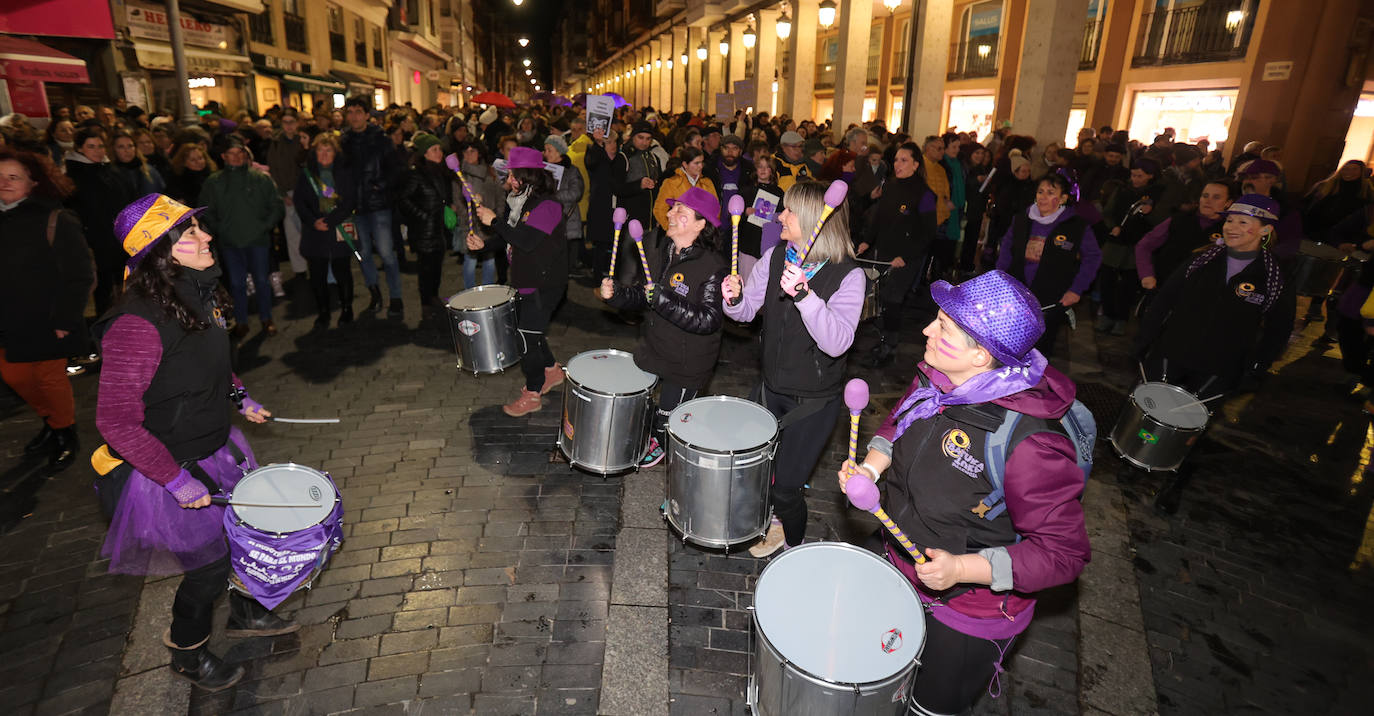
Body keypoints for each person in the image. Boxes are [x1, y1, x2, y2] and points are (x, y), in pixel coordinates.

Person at [838, 270, 1089, 716]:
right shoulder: (935, 379)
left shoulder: (1032, 445)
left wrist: (963, 568)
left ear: (981, 356)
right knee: (874, 675)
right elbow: (898, 423)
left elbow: (1064, 555)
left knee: (926, 709)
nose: (926, 330)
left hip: (969, 612)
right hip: (897, 560)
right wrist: (871, 470)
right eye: (936, 319)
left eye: (944, 327)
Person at [93, 194, 297, 693]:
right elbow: (116, 422)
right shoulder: (136, 325)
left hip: (213, 445)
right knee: (207, 569)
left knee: (242, 536)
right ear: (158, 255)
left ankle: (245, 613)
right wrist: (177, 482)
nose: (206, 237)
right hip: (164, 470)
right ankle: (187, 654)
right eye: (189, 235)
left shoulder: (197, 292)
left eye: (199, 228)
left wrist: (240, 396)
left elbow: (211, 360)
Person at [721, 180, 865, 557]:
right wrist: (732, 298)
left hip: (813, 401)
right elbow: (746, 310)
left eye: (788, 210)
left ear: (815, 219)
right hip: (769, 388)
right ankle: (767, 518)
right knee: (755, 471)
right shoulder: (775, 255)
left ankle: (795, 547)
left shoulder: (848, 275)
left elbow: (837, 342)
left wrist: (805, 296)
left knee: (785, 487)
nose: (779, 216)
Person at [1135, 194, 1296, 512]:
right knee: (1152, 413)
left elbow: (1279, 329)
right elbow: (1164, 300)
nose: (1232, 227)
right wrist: (1143, 341)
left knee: (1192, 427)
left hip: (1219, 366)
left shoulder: (1274, 278)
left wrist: (1257, 367)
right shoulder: (1201, 259)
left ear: (1264, 230)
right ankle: (1139, 458)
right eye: (1230, 220)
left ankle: (1175, 481)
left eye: (1243, 222)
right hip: (1173, 352)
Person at [600, 187, 726, 467]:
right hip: (656, 347)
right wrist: (617, 294)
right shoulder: (663, 250)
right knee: (641, 402)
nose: (669, 213)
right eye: (672, 208)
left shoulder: (713, 267)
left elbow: (708, 319)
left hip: (687, 362)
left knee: (670, 417)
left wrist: (663, 299)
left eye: (680, 210)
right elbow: (644, 295)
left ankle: (667, 445)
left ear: (701, 223)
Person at [0, 148, 95, 474]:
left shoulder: (55, 218)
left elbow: (81, 274)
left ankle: (65, 432)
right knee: (14, 375)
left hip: (47, 319)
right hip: (6, 321)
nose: (4, 183)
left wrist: (66, 319)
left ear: (33, 182)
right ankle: (52, 421)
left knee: (49, 379)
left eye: (14, 177)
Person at [474, 147, 568, 417]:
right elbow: (508, 236)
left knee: (525, 336)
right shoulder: (517, 201)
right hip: (526, 278)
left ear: (528, 178)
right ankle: (551, 371)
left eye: (513, 176)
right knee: (531, 331)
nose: (509, 181)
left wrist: (494, 222)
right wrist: (484, 244)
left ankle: (533, 392)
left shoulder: (548, 206)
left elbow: (526, 241)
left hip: (545, 283)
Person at [995, 173, 1102, 356]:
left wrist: (1076, 289)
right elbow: (1006, 249)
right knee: (1008, 344)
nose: (1043, 197)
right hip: (1016, 292)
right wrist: (999, 277)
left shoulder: (1075, 225)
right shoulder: (1022, 219)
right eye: (1040, 191)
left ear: (1062, 199)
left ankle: (1034, 383)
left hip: (1050, 298)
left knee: (1039, 350)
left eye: (1050, 192)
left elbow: (1093, 257)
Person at [857, 142, 938, 367]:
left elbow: (928, 232)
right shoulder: (890, 186)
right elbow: (878, 218)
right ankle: (883, 340)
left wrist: (906, 256)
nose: (897, 164)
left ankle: (890, 347)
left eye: (904, 160)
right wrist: (866, 240)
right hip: (883, 252)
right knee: (881, 298)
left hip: (906, 258)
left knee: (893, 299)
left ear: (915, 164)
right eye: (896, 160)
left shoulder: (924, 194)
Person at [202, 137, 284, 338]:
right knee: (237, 284)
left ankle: (266, 318)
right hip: (230, 242)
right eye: (232, 154)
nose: (237, 158)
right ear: (223, 156)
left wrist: (264, 226)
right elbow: (206, 210)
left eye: (241, 154)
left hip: (257, 240)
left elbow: (276, 205)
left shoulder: (260, 179)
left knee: (262, 281)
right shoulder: (215, 182)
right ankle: (241, 320)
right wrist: (220, 229)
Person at [340, 96, 405, 316]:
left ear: (367, 115)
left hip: (379, 206)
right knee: (363, 253)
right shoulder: (342, 141)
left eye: (358, 111)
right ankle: (375, 293)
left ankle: (396, 296)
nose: (354, 116)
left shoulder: (381, 139)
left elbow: (396, 169)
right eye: (350, 112)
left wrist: (381, 185)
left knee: (387, 253)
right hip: (355, 207)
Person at [65, 126, 137, 316]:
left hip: (120, 239)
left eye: (100, 146)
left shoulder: (112, 171)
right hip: (96, 243)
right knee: (103, 291)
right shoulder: (73, 176)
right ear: (80, 149)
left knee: (126, 287)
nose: (98, 150)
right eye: (91, 146)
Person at [295, 134, 358, 329]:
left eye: (328, 150)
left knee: (343, 271)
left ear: (335, 152)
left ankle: (347, 308)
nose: (324, 154)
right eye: (320, 150)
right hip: (315, 231)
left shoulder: (345, 172)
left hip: (338, 228)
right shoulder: (306, 174)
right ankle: (323, 311)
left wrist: (330, 221)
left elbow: (349, 201)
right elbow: (300, 202)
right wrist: (313, 222)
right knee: (317, 275)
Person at [1096, 158, 1164, 335]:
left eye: (1140, 176)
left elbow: (1160, 222)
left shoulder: (1156, 194)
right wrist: (1113, 226)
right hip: (1115, 245)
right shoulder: (1122, 190)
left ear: (1150, 176)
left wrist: (1149, 214)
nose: (1135, 179)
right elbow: (1108, 212)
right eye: (1133, 175)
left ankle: (1121, 319)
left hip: (1136, 247)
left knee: (1128, 285)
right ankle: (1107, 315)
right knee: (1107, 281)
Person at [1135, 181, 1233, 296]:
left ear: (1228, 203)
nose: (1208, 200)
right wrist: (1146, 274)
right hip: (1164, 287)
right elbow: (1144, 245)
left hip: (1200, 295)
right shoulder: (1179, 220)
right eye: (1205, 195)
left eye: (1216, 197)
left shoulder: (1231, 229)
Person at [396, 132, 453, 316]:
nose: (439, 153)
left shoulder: (441, 172)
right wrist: (421, 215)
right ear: (424, 154)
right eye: (434, 149)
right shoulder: (417, 174)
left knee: (437, 266)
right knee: (426, 268)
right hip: (423, 231)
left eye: (439, 149)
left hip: (438, 229)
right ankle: (426, 302)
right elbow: (403, 199)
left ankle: (433, 297)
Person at [265, 110, 309, 283]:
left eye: (292, 121)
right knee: (292, 233)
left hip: (305, 193)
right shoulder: (276, 143)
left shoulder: (304, 140)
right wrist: (282, 194)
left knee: (308, 230)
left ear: (297, 123)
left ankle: (314, 264)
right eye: (285, 122)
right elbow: (273, 170)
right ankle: (300, 269)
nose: (289, 125)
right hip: (288, 193)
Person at [453, 141, 502, 288]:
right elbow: (457, 199)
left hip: (489, 223)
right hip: (471, 224)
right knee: (470, 260)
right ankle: (470, 292)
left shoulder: (490, 171)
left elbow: (499, 194)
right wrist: (469, 215)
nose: (469, 155)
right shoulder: (459, 175)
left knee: (489, 260)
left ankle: (488, 290)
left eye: (472, 151)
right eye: (466, 152)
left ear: (479, 153)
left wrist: (497, 214)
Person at [543, 134, 586, 276]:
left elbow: (576, 193)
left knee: (563, 264)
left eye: (549, 150)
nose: (546, 153)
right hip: (547, 219)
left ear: (559, 152)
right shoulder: (543, 170)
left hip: (566, 219)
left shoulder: (572, 170)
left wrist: (553, 197)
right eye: (545, 150)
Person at [654, 147, 717, 233]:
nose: (701, 166)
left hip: (703, 234)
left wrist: (710, 231)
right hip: (680, 233)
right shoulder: (671, 183)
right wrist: (671, 229)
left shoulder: (707, 183)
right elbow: (659, 210)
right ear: (685, 164)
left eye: (702, 162)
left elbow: (715, 209)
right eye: (696, 163)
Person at [110, 131, 166, 196]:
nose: (127, 150)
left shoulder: (148, 171)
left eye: (130, 146)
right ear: (114, 149)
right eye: (121, 147)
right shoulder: (110, 174)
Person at [166, 144, 216, 209]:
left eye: (200, 158)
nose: (198, 162)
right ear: (184, 163)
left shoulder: (213, 176)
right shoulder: (176, 181)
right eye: (193, 160)